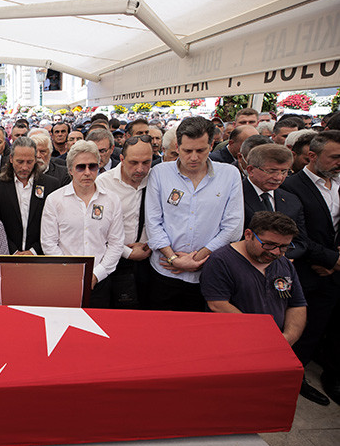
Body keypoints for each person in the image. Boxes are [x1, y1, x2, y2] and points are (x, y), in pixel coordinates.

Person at [145, 116, 244, 311]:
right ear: (177, 146)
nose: (193, 157)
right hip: (165, 272)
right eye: (187, 151)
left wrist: (198, 258)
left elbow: (233, 227)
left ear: (211, 145)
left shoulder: (230, 175)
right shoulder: (160, 173)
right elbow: (153, 222)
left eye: (201, 150)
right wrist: (174, 259)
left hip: (209, 273)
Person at [281, 130, 340, 406]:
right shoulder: (292, 186)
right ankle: (293, 376)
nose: (339, 162)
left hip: (334, 272)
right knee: (300, 326)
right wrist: (330, 260)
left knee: (322, 326)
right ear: (312, 156)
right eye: (335, 157)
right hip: (307, 270)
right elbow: (297, 235)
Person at [201, 211, 306, 345]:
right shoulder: (221, 261)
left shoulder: (283, 263)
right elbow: (218, 304)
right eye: (268, 244)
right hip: (234, 342)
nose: (275, 252)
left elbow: (297, 304)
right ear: (248, 235)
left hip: (275, 344)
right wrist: (259, 335)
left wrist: (288, 338)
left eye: (283, 247)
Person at [41, 140, 125, 307]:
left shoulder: (112, 200)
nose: (87, 172)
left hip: (100, 281)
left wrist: (96, 275)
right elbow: (49, 243)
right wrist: (71, 274)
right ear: (71, 170)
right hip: (64, 281)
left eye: (92, 166)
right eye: (81, 167)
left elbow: (116, 243)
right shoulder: (54, 200)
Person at [96, 135, 154, 308]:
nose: (141, 169)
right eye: (134, 162)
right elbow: (98, 229)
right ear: (121, 159)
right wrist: (127, 252)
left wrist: (151, 245)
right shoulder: (104, 183)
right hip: (115, 262)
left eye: (146, 162)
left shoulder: (156, 178)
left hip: (151, 260)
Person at [0, 137, 60, 255]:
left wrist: (34, 251)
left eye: (29, 162)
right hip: (7, 254)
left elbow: (54, 225)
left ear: (36, 159)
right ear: (11, 159)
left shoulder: (51, 185)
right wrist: (13, 251)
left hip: (41, 255)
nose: (25, 167)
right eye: (20, 162)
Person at [242, 144, 306, 259]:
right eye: (272, 171)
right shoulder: (235, 196)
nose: (278, 177)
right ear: (250, 170)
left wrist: (280, 256)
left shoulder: (292, 200)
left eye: (284, 171)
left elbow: (301, 242)